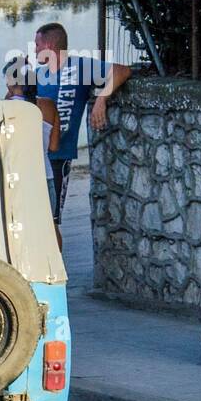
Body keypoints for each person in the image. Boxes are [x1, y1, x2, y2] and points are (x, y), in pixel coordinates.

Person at [34, 23, 131, 244]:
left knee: (52, 222)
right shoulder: (37, 75)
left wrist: (101, 99)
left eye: (37, 44)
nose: (35, 50)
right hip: (33, 159)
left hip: (58, 160)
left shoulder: (79, 67)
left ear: (49, 45)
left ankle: (56, 275)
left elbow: (121, 70)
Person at [3, 58, 60, 220]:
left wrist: (8, 96)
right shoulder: (49, 106)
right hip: (44, 177)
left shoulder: (3, 109)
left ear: (9, 83)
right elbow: (54, 147)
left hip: (16, 180)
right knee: (49, 231)